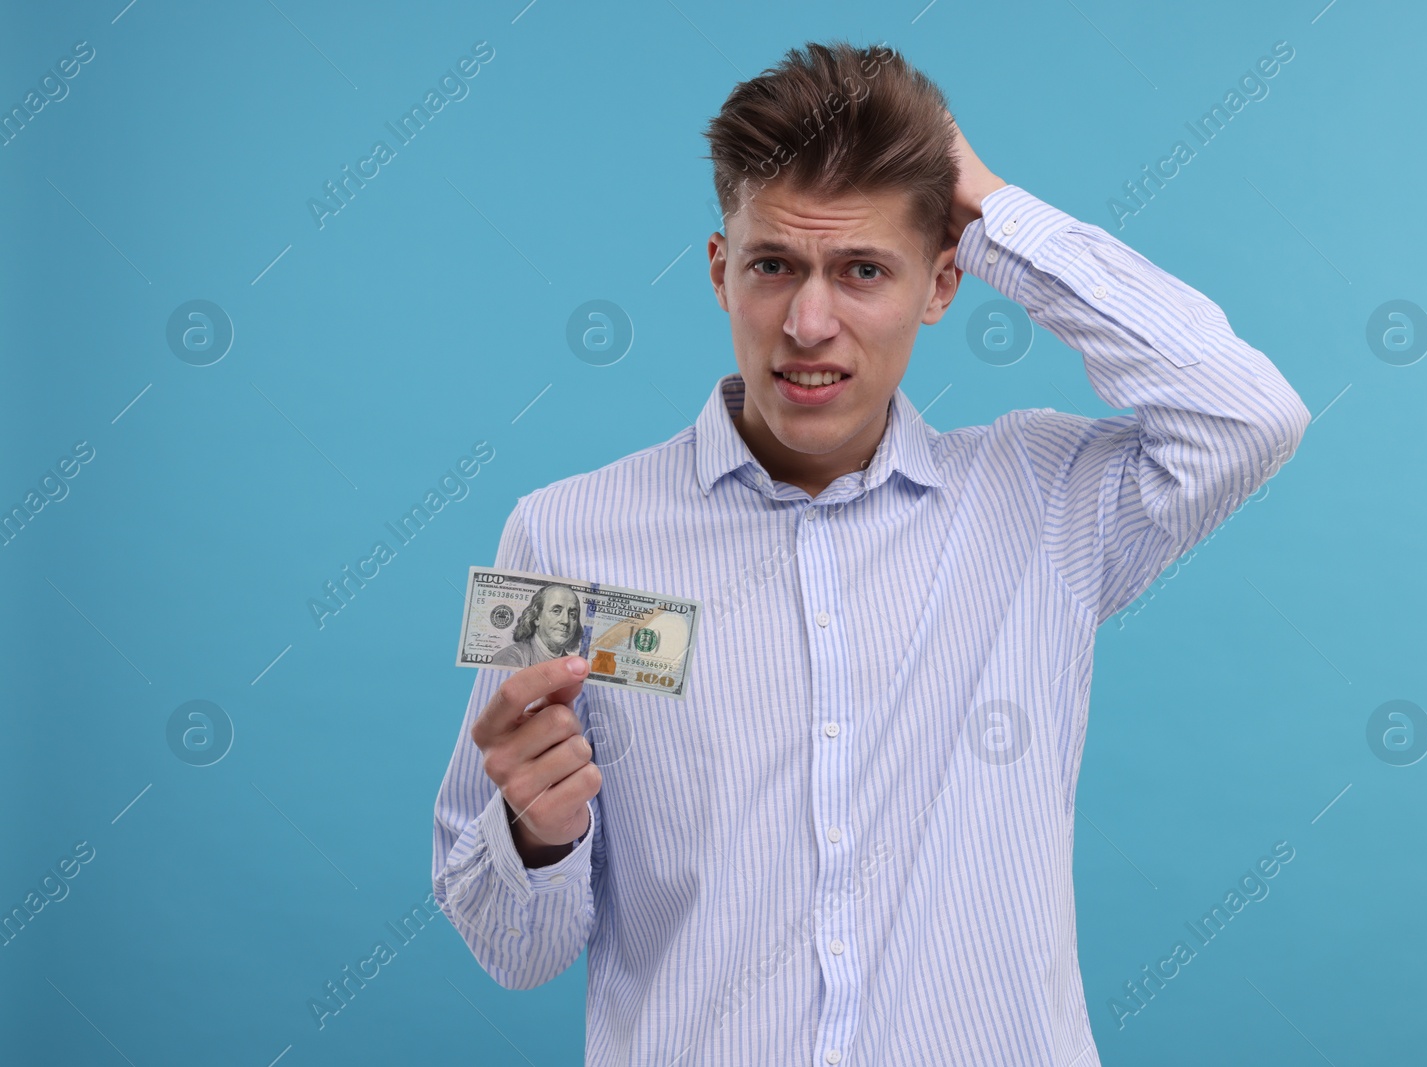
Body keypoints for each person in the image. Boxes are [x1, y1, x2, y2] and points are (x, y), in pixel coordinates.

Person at [432, 39, 1310, 1066]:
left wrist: (990, 212)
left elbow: (1248, 414)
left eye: (861, 271)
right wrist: (537, 835)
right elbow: (509, 948)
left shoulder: (1041, 501)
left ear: (941, 283)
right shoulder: (563, 536)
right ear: (721, 271)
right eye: (774, 266)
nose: (810, 324)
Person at [488, 583, 584, 669]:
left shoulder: (573, 666)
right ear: (537, 617)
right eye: (556, 611)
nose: (566, 621)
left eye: (572, 614)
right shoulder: (511, 658)